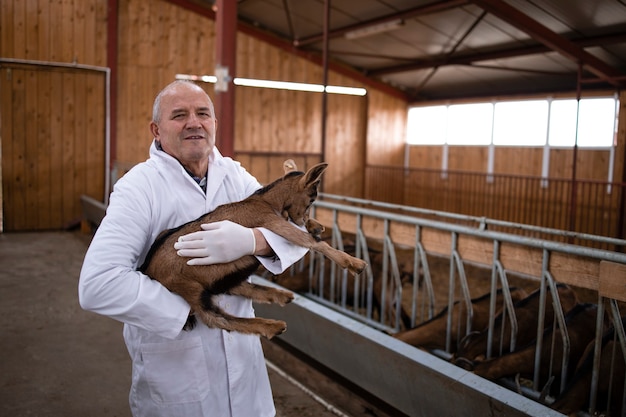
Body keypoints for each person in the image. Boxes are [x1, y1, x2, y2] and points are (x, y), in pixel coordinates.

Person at [79, 80, 307, 417]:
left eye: (203, 113)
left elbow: (295, 228)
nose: (194, 122)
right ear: (156, 130)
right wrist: (192, 306)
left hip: (246, 376)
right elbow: (98, 284)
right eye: (179, 115)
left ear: (215, 124)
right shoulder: (139, 188)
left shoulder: (235, 176)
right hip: (178, 369)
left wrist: (253, 241)